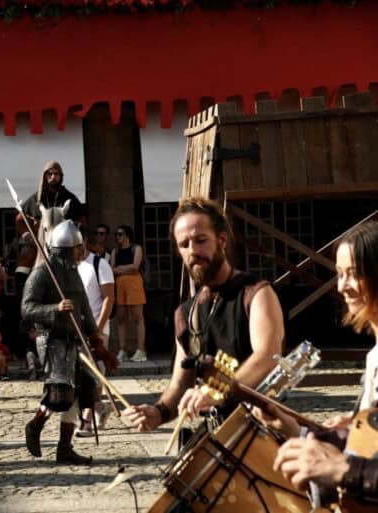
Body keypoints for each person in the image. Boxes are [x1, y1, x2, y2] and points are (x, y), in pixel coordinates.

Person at [124, 197, 284, 433]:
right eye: (184, 244)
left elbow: (268, 357)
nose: (193, 250)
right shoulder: (186, 313)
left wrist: (215, 390)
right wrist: (159, 412)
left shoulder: (256, 293)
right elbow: (181, 383)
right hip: (217, 436)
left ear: (221, 240)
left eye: (201, 240)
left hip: (261, 432)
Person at [259, 221, 378, 504]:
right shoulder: (374, 356)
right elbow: (369, 450)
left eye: (354, 274)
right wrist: (294, 429)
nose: (342, 286)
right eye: (339, 274)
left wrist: (343, 469)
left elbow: (354, 466)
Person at [21, 220, 103, 465]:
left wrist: (95, 336)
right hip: (52, 339)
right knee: (60, 394)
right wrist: (54, 309)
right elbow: (27, 308)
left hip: (73, 340)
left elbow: (84, 310)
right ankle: (35, 425)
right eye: (78, 248)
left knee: (82, 392)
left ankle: (65, 448)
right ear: (66, 249)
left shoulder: (73, 272)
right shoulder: (42, 273)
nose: (82, 251)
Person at [76, 230, 116, 434]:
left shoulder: (100, 264)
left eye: (78, 242)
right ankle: (100, 407)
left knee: (94, 373)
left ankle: (86, 418)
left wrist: (98, 330)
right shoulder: (67, 267)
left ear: (84, 241)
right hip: (74, 329)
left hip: (97, 329)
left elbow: (109, 297)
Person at [111, 225, 147, 362]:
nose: (117, 237)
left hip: (134, 284)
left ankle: (141, 349)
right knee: (120, 318)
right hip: (120, 285)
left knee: (137, 316)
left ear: (127, 235)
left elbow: (135, 267)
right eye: (117, 234)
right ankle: (122, 349)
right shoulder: (115, 251)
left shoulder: (136, 248)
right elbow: (112, 269)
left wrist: (120, 268)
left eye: (120, 234)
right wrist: (124, 269)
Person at [19, 160, 86, 228]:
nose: (53, 177)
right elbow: (20, 219)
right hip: (42, 238)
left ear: (60, 176)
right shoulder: (37, 197)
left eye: (56, 173)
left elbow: (82, 219)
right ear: (45, 176)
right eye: (50, 174)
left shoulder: (69, 197)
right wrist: (27, 235)